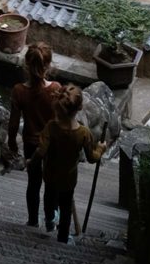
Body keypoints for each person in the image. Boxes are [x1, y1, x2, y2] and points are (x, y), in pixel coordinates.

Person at [38, 86, 103, 245]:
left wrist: (33, 161)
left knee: (49, 198)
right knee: (66, 208)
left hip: (50, 174)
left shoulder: (51, 127)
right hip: (68, 178)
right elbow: (92, 158)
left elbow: (42, 151)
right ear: (80, 107)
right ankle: (63, 238)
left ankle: (51, 219)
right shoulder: (84, 133)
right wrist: (101, 149)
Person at [6, 42, 59, 229]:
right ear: (48, 65)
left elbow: (13, 123)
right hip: (51, 145)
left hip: (30, 143)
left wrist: (12, 141)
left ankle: (33, 220)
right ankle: (50, 220)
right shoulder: (55, 89)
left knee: (33, 183)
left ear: (27, 65)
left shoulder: (19, 91)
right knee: (51, 183)